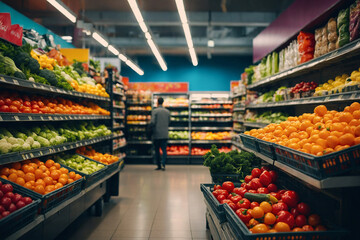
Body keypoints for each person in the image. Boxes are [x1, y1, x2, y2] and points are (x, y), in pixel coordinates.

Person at [150, 97, 171, 171]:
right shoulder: (167, 111)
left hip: (157, 134)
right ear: (163, 102)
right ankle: (163, 164)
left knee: (157, 150)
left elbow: (152, 122)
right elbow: (169, 122)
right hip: (165, 134)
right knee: (164, 150)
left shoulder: (155, 111)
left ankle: (159, 165)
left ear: (157, 102)